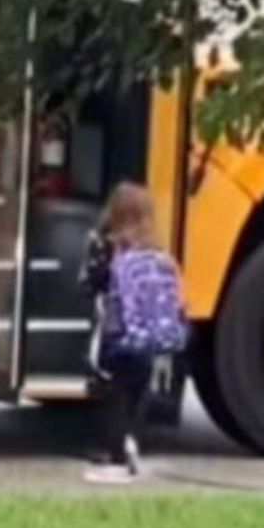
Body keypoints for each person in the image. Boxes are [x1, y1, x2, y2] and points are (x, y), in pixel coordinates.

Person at [83, 182, 188, 486]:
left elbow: (91, 284)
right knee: (138, 391)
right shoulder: (160, 254)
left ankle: (116, 461)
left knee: (114, 393)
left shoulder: (111, 250)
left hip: (119, 334)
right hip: (151, 337)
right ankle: (132, 442)